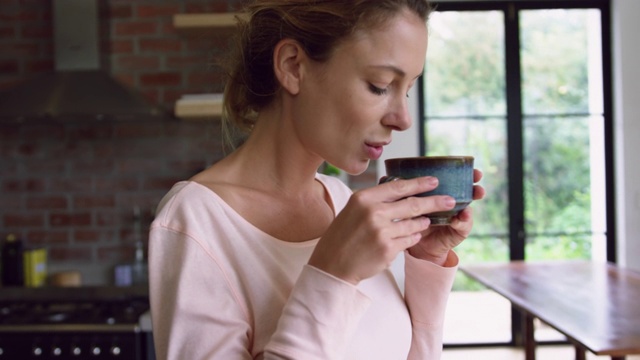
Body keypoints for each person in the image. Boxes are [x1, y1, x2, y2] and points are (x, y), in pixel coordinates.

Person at [148, 0, 485, 359]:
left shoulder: (342, 202)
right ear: (293, 66)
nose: (403, 119)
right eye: (379, 85)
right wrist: (332, 274)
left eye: (408, 89)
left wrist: (425, 259)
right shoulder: (196, 222)